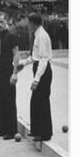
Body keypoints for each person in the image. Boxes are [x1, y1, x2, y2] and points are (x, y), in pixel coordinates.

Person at [19, 13, 54, 142]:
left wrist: (36, 79)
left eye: (29, 23)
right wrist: (23, 63)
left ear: (33, 23)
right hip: (38, 67)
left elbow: (43, 59)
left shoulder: (42, 36)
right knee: (35, 101)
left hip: (43, 71)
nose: (28, 25)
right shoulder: (37, 35)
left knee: (42, 101)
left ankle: (45, 133)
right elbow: (35, 56)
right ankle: (37, 129)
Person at [0, 13, 21, 140]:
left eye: (1, 22)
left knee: (9, 100)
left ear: (6, 22)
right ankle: (2, 128)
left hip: (8, 69)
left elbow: (16, 55)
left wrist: (15, 73)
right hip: (0, 70)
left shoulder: (11, 36)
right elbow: (0, 55)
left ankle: (11, 130)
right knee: (0, 100)